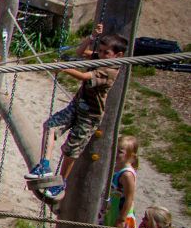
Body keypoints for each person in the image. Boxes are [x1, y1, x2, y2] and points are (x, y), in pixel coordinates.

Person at [25, 33, 129, 200]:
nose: (101, 55)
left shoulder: (109, 71)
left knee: (71, 150)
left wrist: (64, 68)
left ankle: (61, 182)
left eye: (105, 52)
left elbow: (84, 76)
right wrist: (91, 37)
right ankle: (44, 166)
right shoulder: (99, 58)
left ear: (118, 56)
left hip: (90, 116)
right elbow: (81, 52)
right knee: (50, 125)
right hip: (77, 105)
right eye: (100, 51)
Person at [99, 135, 138, 228]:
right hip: (114, 210)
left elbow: (129, 198)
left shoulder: (127, 174)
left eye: (120, 152)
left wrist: (122, 218)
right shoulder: (117, 168)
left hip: (121, 213)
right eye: (114, 150)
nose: (115, 154)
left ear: (131, 155)